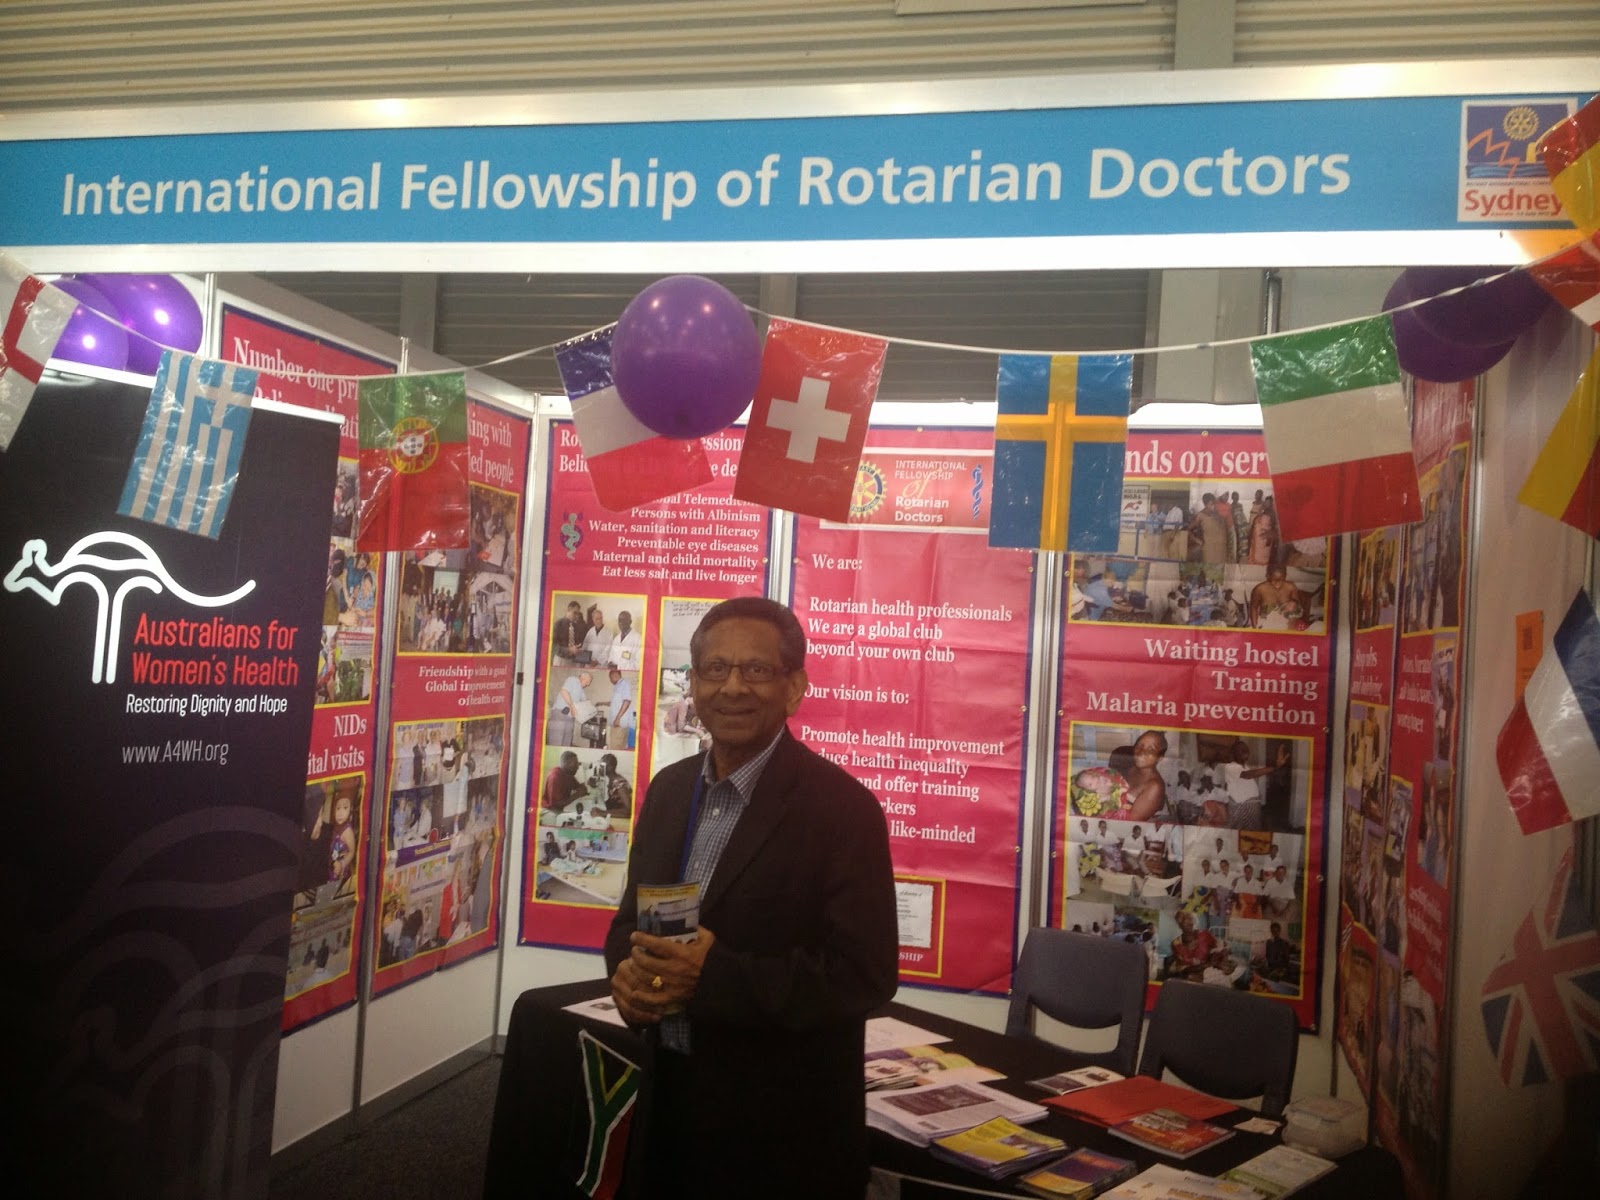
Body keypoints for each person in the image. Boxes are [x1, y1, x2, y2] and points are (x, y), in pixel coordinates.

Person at [604, 596, 898, 1198]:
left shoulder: (843, 810)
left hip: (781, 1133)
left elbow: (864, 975)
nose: (732, 687)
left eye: (756, 670)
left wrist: (709, 978)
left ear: (794, 688)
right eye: (715, 669)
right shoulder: (669, 791)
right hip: (669, 1106)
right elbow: (628, 923)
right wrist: (627, 977)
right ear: (693, 683)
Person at [607, 666, 636, 751]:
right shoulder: (618, 686)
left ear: (615, 674)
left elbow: (627, 701)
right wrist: (601, 703)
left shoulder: (624, 683)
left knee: (615, 748)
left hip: (619, 723)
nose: (610, 680)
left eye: (610, 678)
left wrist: (617, 718)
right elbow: (615, 703)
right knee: (619, 748)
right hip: (617, 723)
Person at [552, 599, 587, 664]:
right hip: (561, 659)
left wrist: (579, 648)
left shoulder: (577, 626)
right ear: (568, 610)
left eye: (578, 614)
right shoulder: (558, 624)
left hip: (573, 660)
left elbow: (578, 642)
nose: (576, 616)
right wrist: (568, 650)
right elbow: (553, 645)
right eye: (575, 613)